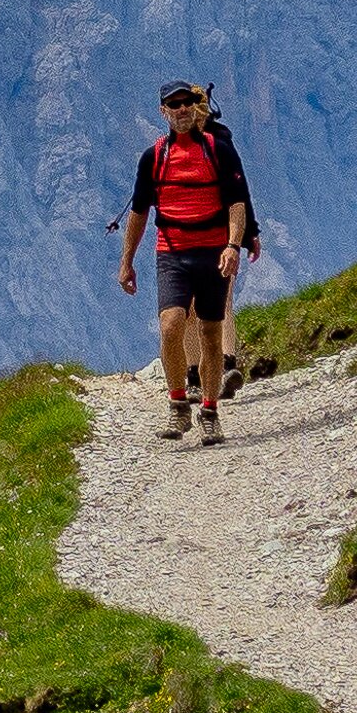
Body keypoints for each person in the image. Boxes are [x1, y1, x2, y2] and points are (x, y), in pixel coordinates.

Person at [117, 80, 254, 443]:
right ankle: (178, 407)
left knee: (210, 333)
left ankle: (209, 411)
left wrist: (233, 245)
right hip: (172, 253)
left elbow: (237, 202)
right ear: (163, 111)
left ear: (196, 107)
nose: (181, 109)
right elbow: (140, 212)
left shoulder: (219, 150)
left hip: (212, 252)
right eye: (173, 105)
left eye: (187, 103)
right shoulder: (154, 157)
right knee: (171, 324)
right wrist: (126, 261)